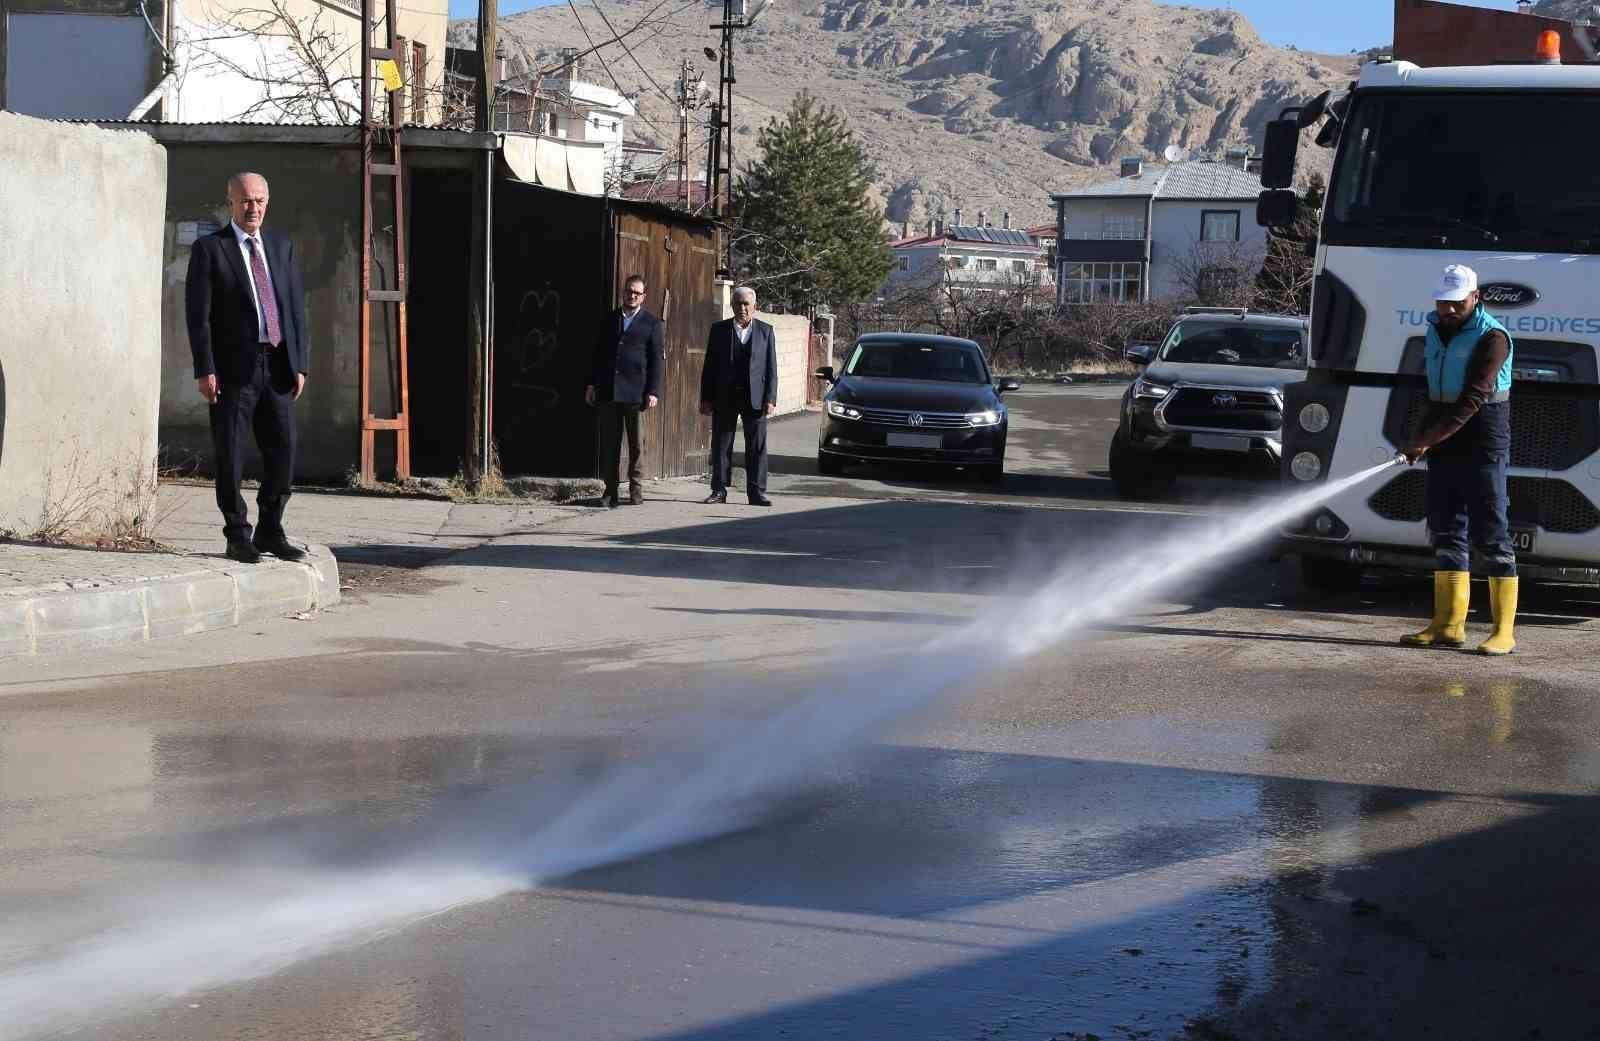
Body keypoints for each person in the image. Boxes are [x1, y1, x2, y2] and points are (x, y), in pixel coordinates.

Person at [185, 171, 309, 564]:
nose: (252, 207)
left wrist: (300, 363)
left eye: (258, 200)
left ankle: (271, 529)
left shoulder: (281, 246)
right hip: (231, 370)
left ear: (267, 202)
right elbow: (198, 316)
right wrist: (205, 368)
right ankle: (238, 534)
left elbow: (294, 308)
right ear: (231, 203)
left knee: (283, 449)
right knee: (231, 452)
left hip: (277, 366)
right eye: (244, 201)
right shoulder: (211, 249)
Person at [1399, 263, 1518, 655]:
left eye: (1456, 302)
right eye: (1443, 301)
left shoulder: (1493, 337)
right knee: (1446, 527)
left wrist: (1426, 441)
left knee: (1491, 532)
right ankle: (1448, 625)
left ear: (1475, 297)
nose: (1448, 309)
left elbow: (1472, 399)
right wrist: (1418, 437)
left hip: (1483, 435)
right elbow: (1432, 393)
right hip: (1444, 436)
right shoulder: (1435, 329)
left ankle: (1503, 632)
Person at [587, 274, 664, 507]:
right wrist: (592, 384)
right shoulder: (610, 319)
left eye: (637, 293)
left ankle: (636, 490)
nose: (632, 295)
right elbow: (598, 354)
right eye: (629, 291)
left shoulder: (652, 323)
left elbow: (657, 360)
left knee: (636, 445)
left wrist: (653, 391)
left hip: (636, 393)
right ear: (623, 292)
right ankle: (610, 492)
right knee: (610, 444)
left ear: (643, 296)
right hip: (609, 391)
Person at [699, 286, 777, 506]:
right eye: (738, 303)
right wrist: (706, 398)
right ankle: (719, 490)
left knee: (757, 447)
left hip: (756, 398)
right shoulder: (719, 330)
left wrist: (770, 398)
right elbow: (710, 366)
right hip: (725, 396)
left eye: (746, 304)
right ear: (732, 305)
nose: (742, 308)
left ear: (755, 307)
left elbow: (771, 367)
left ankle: (757, 492)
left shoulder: (766, 331)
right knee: (721, 446)